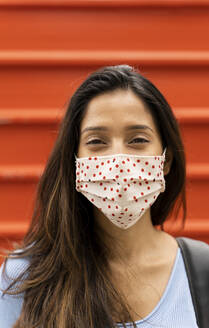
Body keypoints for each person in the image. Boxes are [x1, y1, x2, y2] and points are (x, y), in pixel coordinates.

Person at [0, 65, 200, 327]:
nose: (118, 159)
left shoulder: (201, 272)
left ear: (165, 161)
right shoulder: (24, 279)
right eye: (96, 141)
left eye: (138, 140)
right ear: (75, 162)